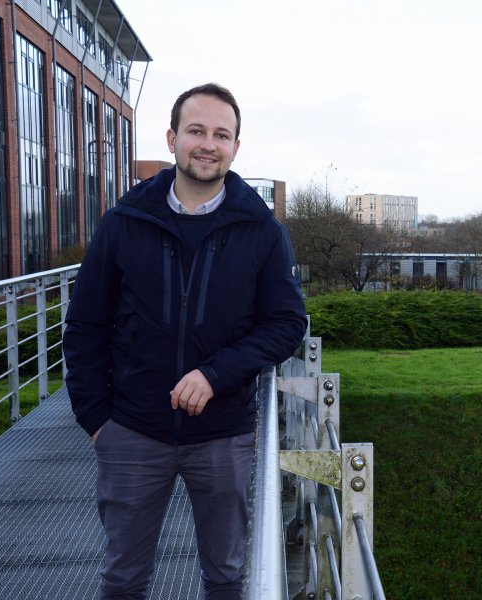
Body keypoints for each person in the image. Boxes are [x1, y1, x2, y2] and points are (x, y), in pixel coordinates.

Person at [63, 82, 307, 599]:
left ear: (236, 148)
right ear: (173, 138)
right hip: (131, 431)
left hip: (222, 435)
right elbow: (86, 324)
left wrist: (215, 374)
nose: (208, 143)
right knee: (123, 579)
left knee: (224, 578)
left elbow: (286, 323)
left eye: (222, 134)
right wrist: (94, 418)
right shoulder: (125, 223)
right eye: (196, 130)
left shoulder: (261, 230)